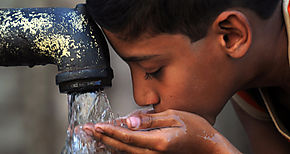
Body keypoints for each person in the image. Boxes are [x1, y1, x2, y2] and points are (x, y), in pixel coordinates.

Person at [83, 0, 290, 153]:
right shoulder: (247, 78)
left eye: (153, 70)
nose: (142, 97)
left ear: (231, 36)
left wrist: (212, 147)